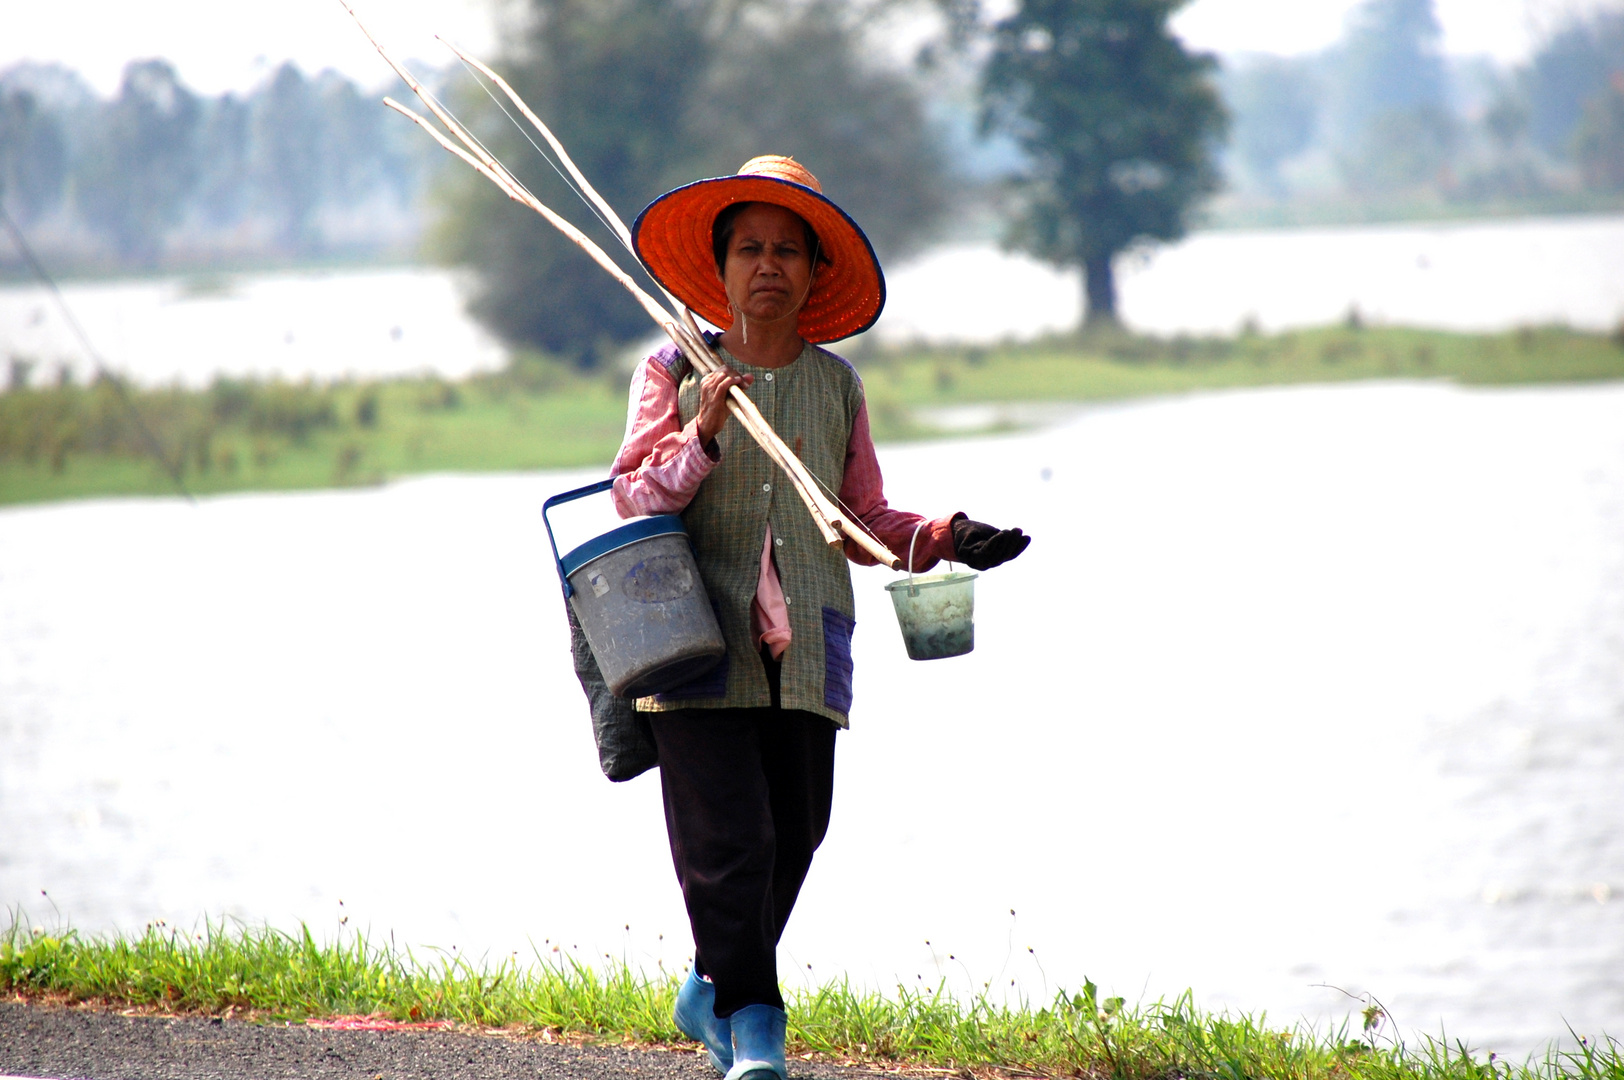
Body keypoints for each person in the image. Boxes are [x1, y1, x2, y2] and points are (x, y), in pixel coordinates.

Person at [612, 155, 1030, 1080]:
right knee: (734, 842)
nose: (769, 266)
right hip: (692, 648)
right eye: (750, 249)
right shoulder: (677, 369)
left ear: (813, 275)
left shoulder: (835, 387)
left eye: (788, 252)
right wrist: (703, 436)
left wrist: (952, 537)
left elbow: (863, 522)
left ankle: (708, 984)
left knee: (796, 832)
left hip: (805, 654)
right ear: (718, 271)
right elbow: (633, 497)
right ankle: (757, 1035)